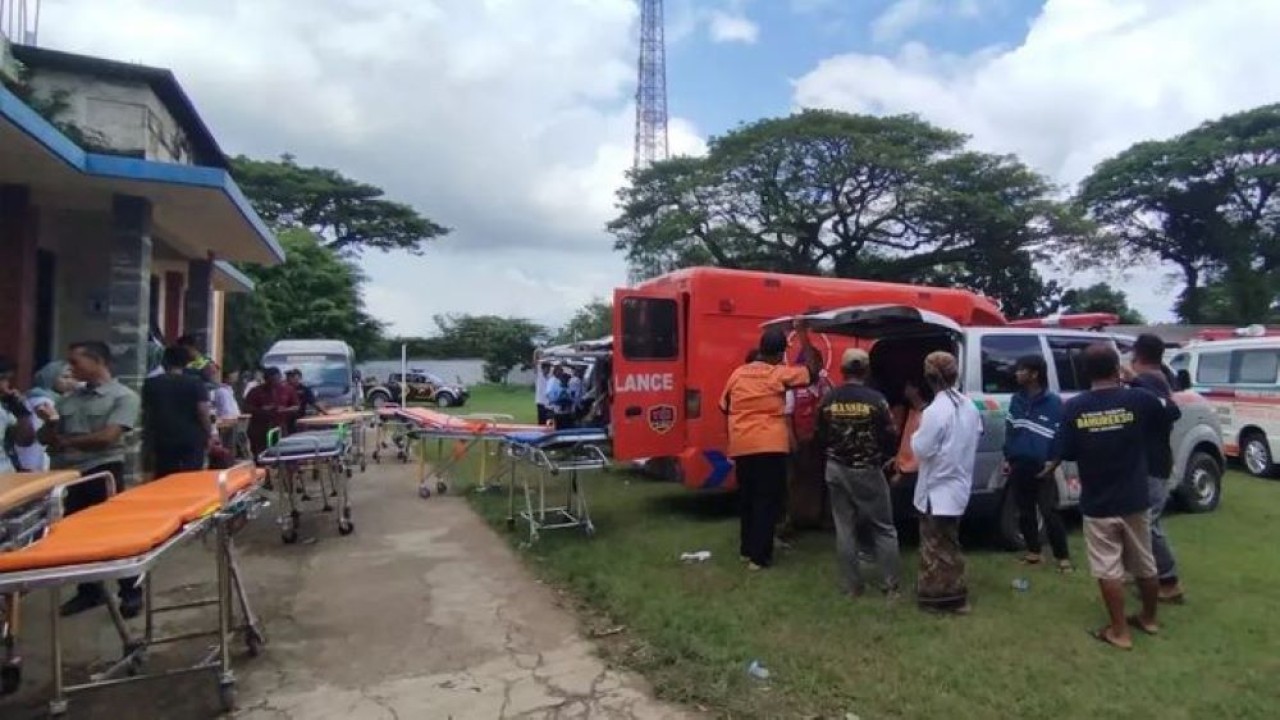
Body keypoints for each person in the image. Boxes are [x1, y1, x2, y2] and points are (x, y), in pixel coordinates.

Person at [1052, 344, 1170, 650]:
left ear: (1085, 373)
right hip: (1134, 497)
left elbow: (1065, 451)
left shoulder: (1075, 407)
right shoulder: (1139, 399)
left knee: (1107, 567)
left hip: (1099, 500)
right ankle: (1149, 619)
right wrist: (1135, 380)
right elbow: (1169, 411)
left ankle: (1119, 631)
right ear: (1117, 368)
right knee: (1145, 562)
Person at [35, 341, 143, 617]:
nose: (71, 368)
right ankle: (89, 590)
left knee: (113, 534)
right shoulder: (69, 399)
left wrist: (66, 442)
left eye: (76, 361)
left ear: (98, 362)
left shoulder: (123, 397)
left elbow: (108, 437)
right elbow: (45, 438)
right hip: (69, 475)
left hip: (102, 471)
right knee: (77, 535)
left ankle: (130, 591)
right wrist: (50, 424)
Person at [719, 322, 820, 571]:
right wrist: (803, 334)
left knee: (747, 499)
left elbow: (724, 405)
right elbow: (813, 371)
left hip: (741, 445)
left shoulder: (737, 374)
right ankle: (759, 558)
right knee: (767, 501)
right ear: (779, 354)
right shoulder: (778, 374)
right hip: (769, 445)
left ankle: (746, 550)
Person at [815, 348, 901, 599]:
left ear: (842, 371)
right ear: (866, 370)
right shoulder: (876, 400)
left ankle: (852, 587)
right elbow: (890, 434)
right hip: (867, 470)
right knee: (884, 527)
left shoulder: (829, 399)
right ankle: (890, 586)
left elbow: (819, 433)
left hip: (835, 469)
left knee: (844, 528)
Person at [911, 351, 981, 614]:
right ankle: (955, 595)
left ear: (929, 378)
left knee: (934, 548)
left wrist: (915, 432)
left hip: (937, 489)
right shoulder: (969, 406)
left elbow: (922, 449)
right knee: (950, 544)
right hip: (958, 485)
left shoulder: (934, 411)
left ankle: (939, 600)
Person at [1127, 334, 1186, 603]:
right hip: (1150, 460)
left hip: (1153, 462)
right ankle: (1144, 574)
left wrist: (1135, 381)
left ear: (1138, 355)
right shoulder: (1156, 378)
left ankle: (1169, 580)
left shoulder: (1150, 380)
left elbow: (1168, 409)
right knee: (1143, 521)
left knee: (1148, 523)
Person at [1003, 354, 1073, 572]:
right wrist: (1008, 457)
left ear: (1034, 374)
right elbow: (1010, 430)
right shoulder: (1016, 400)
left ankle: (1063, 558)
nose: (1017, 373)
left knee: (1048, 510)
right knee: (1024, 510)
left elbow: (1060, 435)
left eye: (1022, 370)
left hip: (1044, 465)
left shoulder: (1053, 403)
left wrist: (1054, 462)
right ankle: (1034, 552)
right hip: (1018, 462)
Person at [782, 349, 834, 536]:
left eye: (817, 363)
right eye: (811, 363)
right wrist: (792, 440)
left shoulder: (825, 385)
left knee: (821, 479)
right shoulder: (793, 388)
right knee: (796, 481)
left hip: (820, 441)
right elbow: (787, 416)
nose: (815, 367)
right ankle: (795, 519)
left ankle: (821, 518)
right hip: (800, 440)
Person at [142, 346, 212, 477]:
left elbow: (146, 412)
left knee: (165, 477)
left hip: (162, 439)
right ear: (186, 363)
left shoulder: (151, 383)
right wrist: (209, 433)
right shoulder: (195, 383)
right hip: (191, 438)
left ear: (164, 361)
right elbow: (203, 412)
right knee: (191, 477)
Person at [16, 361, 75, 471]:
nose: (70, 381)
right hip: (35, 453)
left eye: (73, 377)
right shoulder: (41, 398)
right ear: (50, 377)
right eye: (65, 377)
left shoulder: (63, 399)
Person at [243, 367, 300, 456]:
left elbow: (296, 406)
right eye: (271, 381)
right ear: (266, 379)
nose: (274, 383)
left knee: (278, 452)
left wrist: (285, 410)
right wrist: (261, 410)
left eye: (276, 380)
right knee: (260, 453)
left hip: (278, 426)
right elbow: (246, 407)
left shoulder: (287, 389)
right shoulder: (256, 391)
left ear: (280, 378)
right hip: (259, 427)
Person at [0, 356, 37, 474]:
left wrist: (20, 411)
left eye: (7, 380)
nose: (4, 386)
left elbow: (24, 440)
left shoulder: (4, 408)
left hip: (5, 472)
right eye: (1, 379)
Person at [285, 368, 327, 433]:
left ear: (299, 377)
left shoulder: (304, 389)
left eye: (293, 376)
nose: (290, 378)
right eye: (288, 376)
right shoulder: (281, 389)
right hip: (283, 420)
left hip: (299, 419)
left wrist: (325, 413)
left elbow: (313, 403)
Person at [546, 366, 576, 430]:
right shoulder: (553, 382)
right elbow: (550, 395)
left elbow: (572, 399)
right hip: (558, 412)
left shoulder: (568, 388)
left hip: (566, 412)